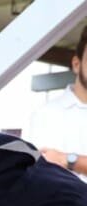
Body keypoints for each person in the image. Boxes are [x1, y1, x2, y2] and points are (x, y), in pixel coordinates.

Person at [25, 24, 87, 183]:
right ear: (76, 64)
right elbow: (42, 169)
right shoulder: (47, 114)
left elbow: (56, 161)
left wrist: (69, 160)